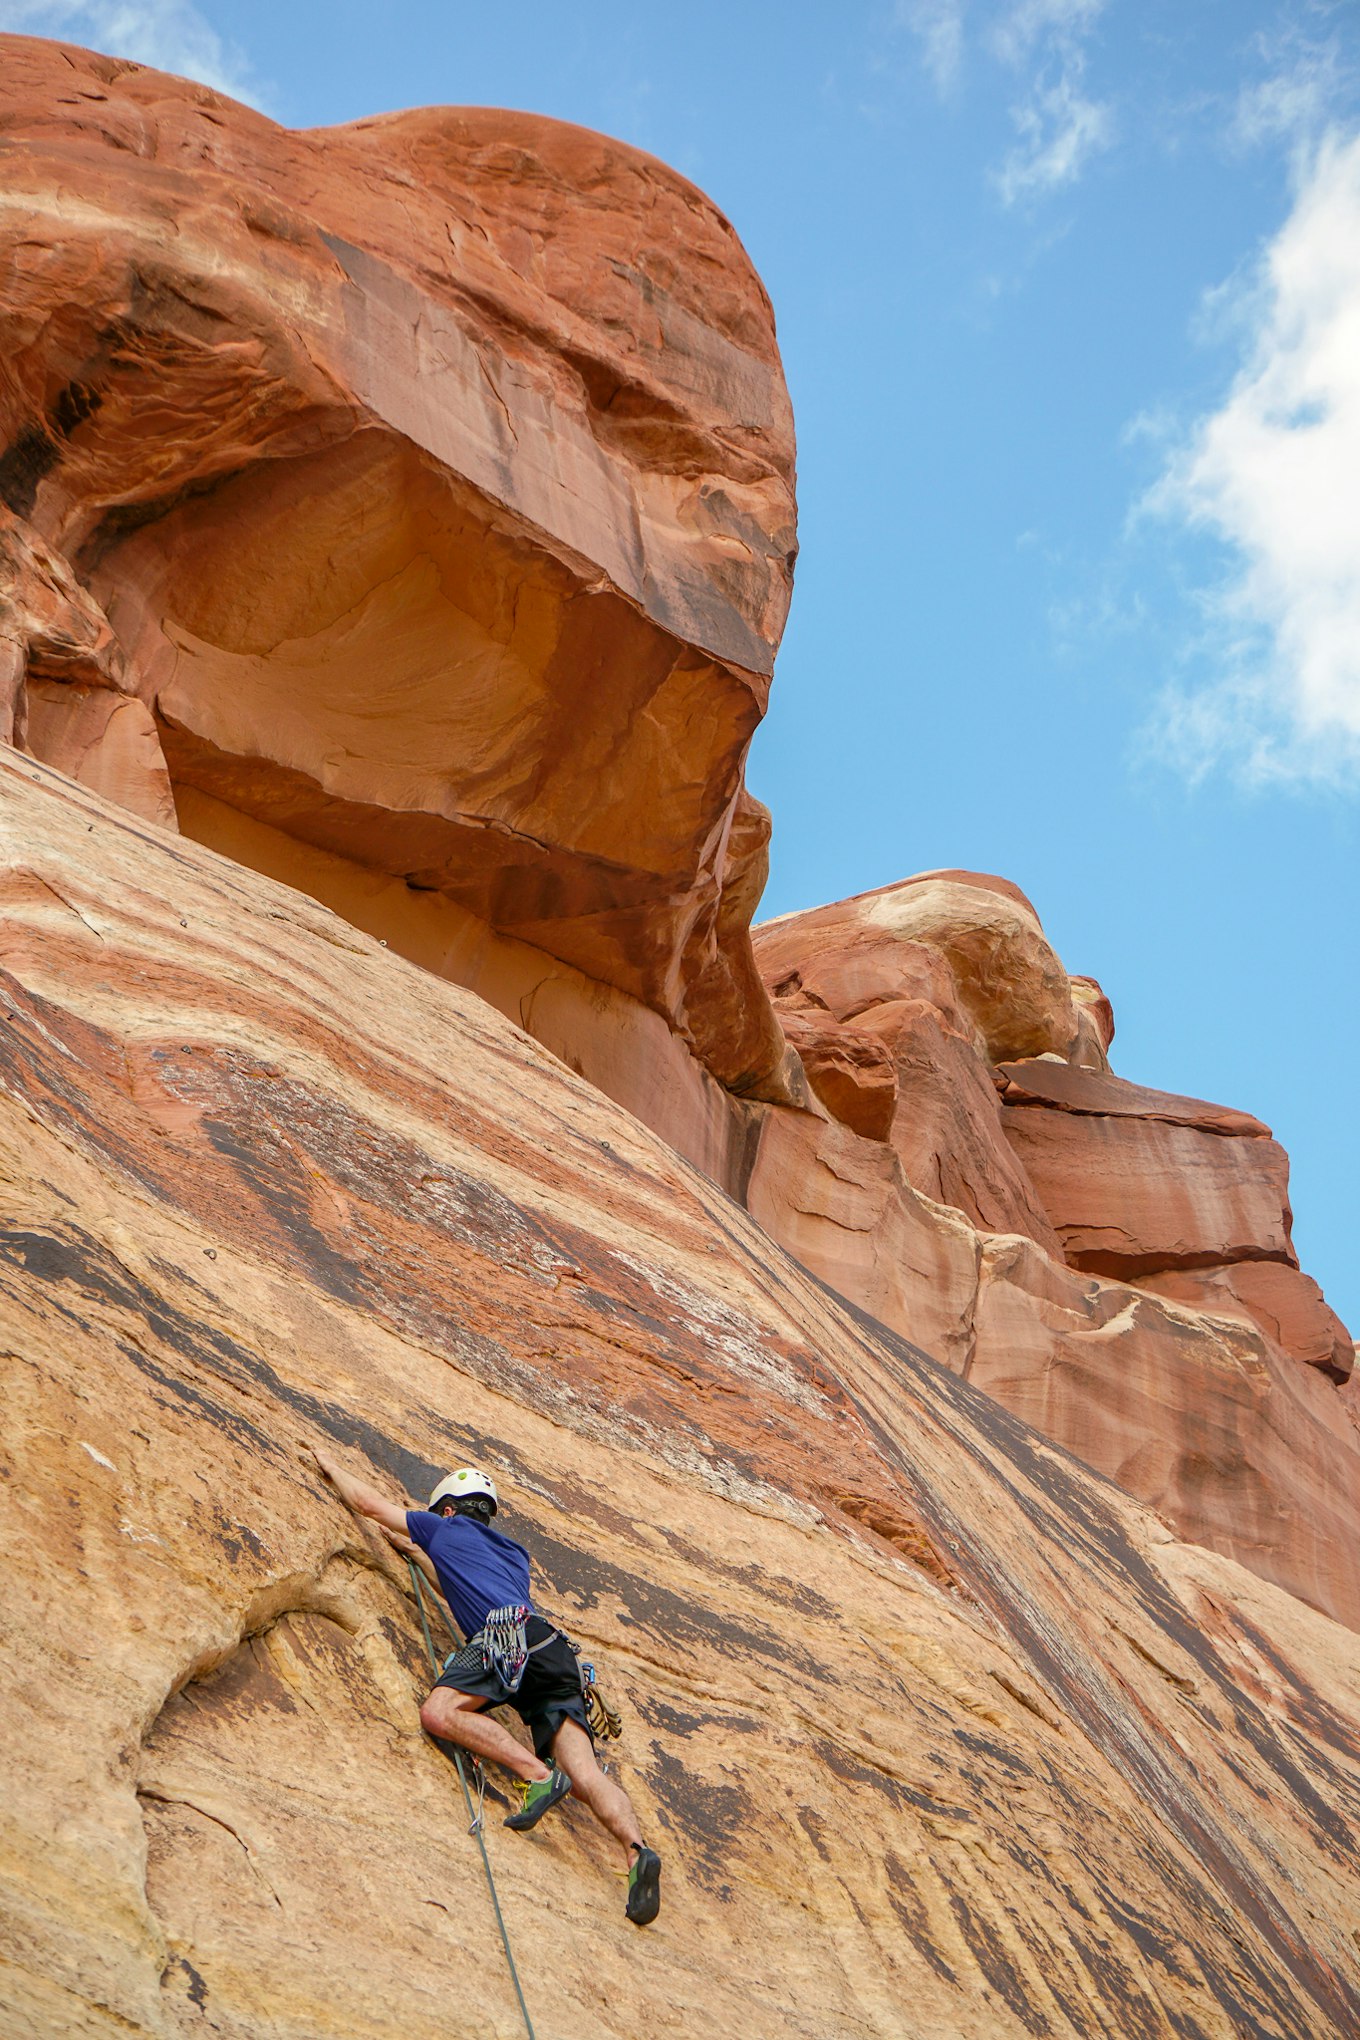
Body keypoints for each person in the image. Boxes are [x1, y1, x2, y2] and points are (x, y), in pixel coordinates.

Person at [312, 1448, 662, 1926]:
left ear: (448, 1509)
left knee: (439, 1712)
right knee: (585, 1774)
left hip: (506, 1637)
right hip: (554, 1653)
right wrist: (419, 1555)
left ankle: (537, 1777)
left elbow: (370, 1504)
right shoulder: (513, 1556)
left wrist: (330, 1465)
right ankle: (635, 1851)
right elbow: (465, 1590)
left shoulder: (446, 1527)